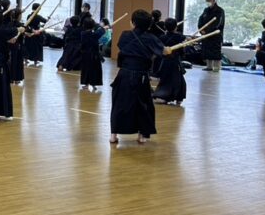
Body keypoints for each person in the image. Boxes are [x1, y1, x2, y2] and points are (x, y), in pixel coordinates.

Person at [110, 9, 170, 145]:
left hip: (124, 74)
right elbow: (163, 52)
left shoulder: (125, 35)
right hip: (141, 76)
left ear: (133, 22)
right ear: (149, 25)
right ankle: (142, 136)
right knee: (143, 105)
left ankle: (113, 136)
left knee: (119, 104)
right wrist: (166, 50)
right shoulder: (151, 38)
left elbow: (123, 47)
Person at [153, 18, 187, 105]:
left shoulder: (162, 38)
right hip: (175, 62)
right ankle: (179, 98)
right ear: (176, 27)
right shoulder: (180, 37)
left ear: (165, 27)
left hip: (165, 62)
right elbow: (182, 52)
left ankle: (164, 97)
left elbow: (160, 51)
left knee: (165, 80)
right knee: (178, 80)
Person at [196, 0, 225, 72]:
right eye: (207, 1)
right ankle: (209, 66)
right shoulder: (206, 10)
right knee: (207, 51)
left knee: (215, 52)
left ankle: (216, 68)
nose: (208, 2)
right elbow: (201, 19)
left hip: (215, 35)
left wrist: (208, 31)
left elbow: (217, 23)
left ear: (214, 1)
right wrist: (201, 30)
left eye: (209, 1)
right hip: (205, 35)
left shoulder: (220, 10)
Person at [78, 16, 106, 92]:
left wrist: (102, 28)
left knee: (86, 70)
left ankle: (86, 84)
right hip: (94, 56)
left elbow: (97, 32)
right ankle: (93, 84)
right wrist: (104, 28)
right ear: (93, 26)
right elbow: (100, 32)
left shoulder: (83, 34)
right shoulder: (93, 34)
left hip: (85, 55)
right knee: (94, 70)